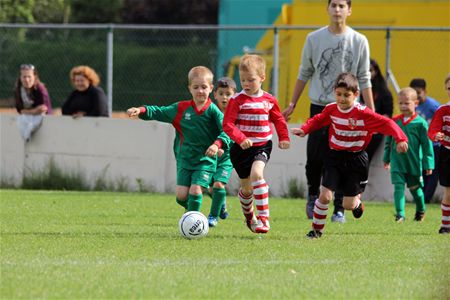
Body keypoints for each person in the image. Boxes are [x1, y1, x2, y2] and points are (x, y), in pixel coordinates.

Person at [282, 0, 375, 223]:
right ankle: (313, 195)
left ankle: (339, 208)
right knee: (315, 155)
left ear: (349, 10)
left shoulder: (359, 40)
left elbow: (364, 77)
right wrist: (292, 103)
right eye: (333, 5)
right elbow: (304, 72)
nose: (337, 10)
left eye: (342, 5)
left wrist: (372, 112)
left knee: (346, 157)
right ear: (327, 9)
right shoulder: (314, 38)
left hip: (351, 111)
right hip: (321, 106)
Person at [291, 73, 408, 239]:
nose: (342, 99)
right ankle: (316, 231)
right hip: (335, 157)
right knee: (325, 195)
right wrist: (304, 129)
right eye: (339, 94)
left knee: (348, 204)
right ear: (334, 93)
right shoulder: (331, 109)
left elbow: (387, 123)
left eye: (347, 95)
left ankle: (357, 203)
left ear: (356, 95)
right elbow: (318, 119)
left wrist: (400, 139)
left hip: (356, 160)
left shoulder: (363, 114)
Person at [127, 66, 230, 213]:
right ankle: (195, 214)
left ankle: (194, 221)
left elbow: (226, 130)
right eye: (196, 87)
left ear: (211, 88)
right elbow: (159, 111)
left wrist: (216, 144)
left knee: (194, 191)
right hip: (185, 159)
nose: (200, 91)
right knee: (181, 197)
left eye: (204, 87)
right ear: (190, 89)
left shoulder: (213, 111)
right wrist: (141, 110)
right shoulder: (181, 109)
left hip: (205, 160)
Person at [223, 54, 291, 234]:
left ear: (262, 77)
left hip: (262, 145)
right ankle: (249, 217)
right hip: (240, 149)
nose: (246, 84)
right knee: (246, 189)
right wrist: (240, 138)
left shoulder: (269, 99)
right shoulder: (236, 100)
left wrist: (284, 137)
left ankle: (264, 220)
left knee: (257, 174)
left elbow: (278, 119)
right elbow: (228, 124)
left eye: (251, 80)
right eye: (243, 80)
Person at [383, 88, 434, 223]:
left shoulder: (421, 124)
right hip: (397, 162)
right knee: (398, 186)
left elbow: (427, 145)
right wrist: (386, 158)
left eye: (407, 103)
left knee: (415, 190)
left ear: (416, 103)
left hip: (413, 163)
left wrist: (428, 163)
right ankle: (400, 215)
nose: (403, 106)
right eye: (400, 103)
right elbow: (388, 142)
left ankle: (420, 210)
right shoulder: (394, 122)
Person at [206, 77, 237, 227]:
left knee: (218, 185)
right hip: (211, 156)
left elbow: (232, 134)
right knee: (209, 188)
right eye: (221, 93)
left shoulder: (236, 114)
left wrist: (221, 146)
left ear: (234, 95)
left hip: (227, 157)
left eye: (228, 94)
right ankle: (221, 204)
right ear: (215, 94)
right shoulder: (211, 112)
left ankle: (213, 217)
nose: (224, 97)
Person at [410, 78, 441, 203]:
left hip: (434, 145)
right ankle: (419, 197)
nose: (416, 95)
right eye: (414, 92)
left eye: (418, 92)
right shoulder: (413, 105)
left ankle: (426, 199)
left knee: (432, 173)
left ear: (425, 91)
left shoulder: (434, 106)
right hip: (419, 146)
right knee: (419, 172)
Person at [427, 74, 450, 234]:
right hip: (447, 154)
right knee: (448, 191)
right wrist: (436, 135)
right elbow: (433, 129)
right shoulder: (443, 110)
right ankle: (445, 225)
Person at [362, 59, 394, 162]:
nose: (367, 73)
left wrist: (375, 124)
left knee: (364, 157)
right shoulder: (355, 86)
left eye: (370, 70)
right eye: (364, 70)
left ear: (375, 71)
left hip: (374, 129)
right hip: (356, 126)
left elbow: (387, 114)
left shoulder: (383, 91)